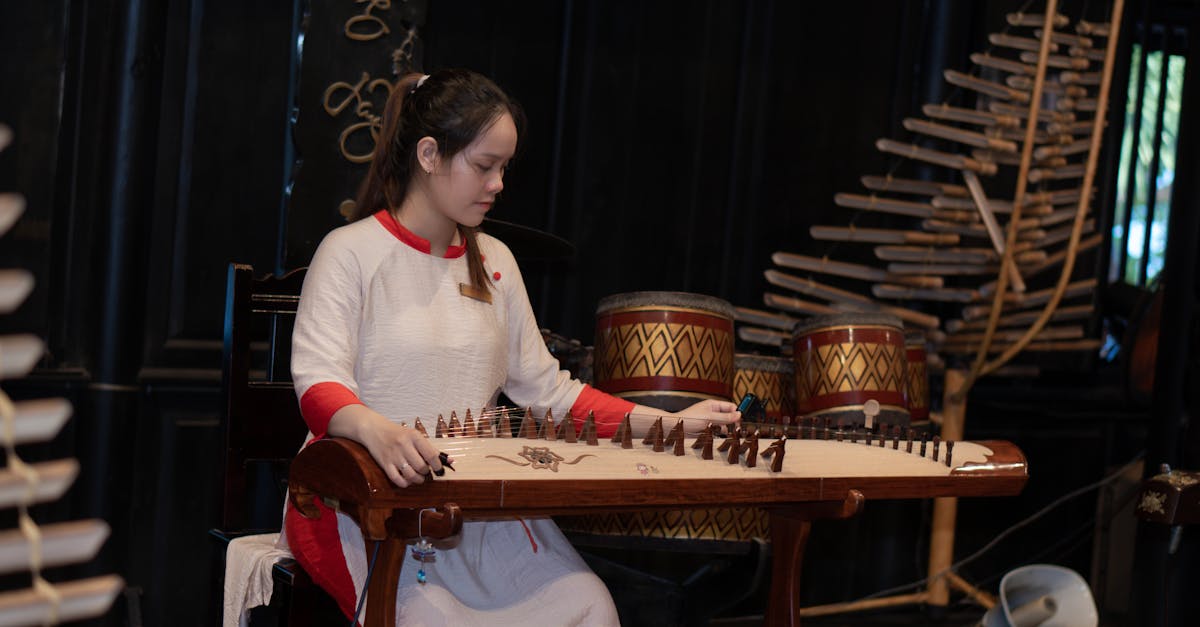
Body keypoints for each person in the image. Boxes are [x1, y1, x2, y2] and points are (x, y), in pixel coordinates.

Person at [283, 68, 740, 625]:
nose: (498, 184)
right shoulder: (351, 252)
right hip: (361, 498)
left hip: (470, 496)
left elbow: (548, 392)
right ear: (428, 154)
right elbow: (318, 383)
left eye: (503, 168)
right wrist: (379, 429)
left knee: (590, 607)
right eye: (483, 166)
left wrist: (670, 424)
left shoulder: (495, 260)